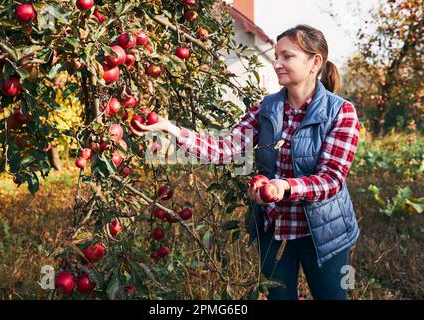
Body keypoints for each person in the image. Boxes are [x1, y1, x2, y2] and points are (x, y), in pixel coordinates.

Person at [132, 24, 360, 300]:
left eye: (287, 57)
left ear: (315, 62)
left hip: (326, 233)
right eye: (276, 56)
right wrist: (171, 129)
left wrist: (283, 187)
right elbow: (223, 148)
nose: (277, 64)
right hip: (276, 229)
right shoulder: (266, 109)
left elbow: (331, 179)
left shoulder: (341, 112)